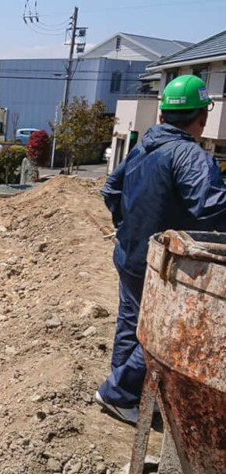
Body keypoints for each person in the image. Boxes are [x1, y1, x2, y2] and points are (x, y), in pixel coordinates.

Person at [95, 75, 226, 424]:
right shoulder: (191, 156)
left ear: (163, 115)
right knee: (159, 333)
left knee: (131, 323)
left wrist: (129, 223)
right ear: (202, 117)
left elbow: (110, 189)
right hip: (162, 263)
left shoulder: (144, 147)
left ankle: (126, 393)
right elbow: (214, 210)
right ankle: (119, 392)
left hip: (129, 251)